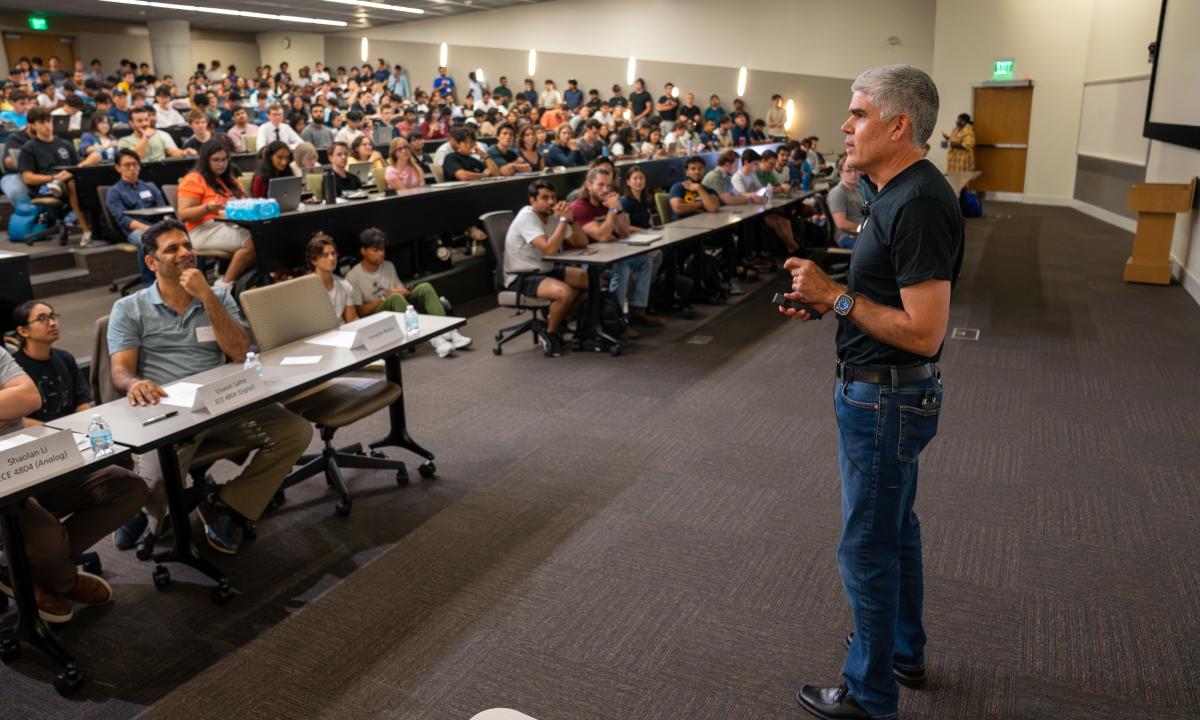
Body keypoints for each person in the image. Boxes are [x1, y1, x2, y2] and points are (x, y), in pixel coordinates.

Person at [785, 64, 963, 720]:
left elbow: (924, 331)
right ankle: (903, 652)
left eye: (857, 114)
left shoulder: (916, 202)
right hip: (886, 396)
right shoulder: (891, 192)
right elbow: (882, 299)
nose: (844, 125)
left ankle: (870, 694)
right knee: (894, 530)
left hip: (885, 400)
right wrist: (832, 306)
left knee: (867, 544)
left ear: (898, 125)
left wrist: (835, 295)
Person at [107, 219, 312, 554]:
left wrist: (206, 297)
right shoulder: (129, 308)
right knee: (156, 483)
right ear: (151, 262)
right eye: (172, 249)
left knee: (295, 432)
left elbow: (237, 351)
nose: (185, 253)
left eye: (187, 245)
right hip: (170, 410)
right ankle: (144, 513)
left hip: (223, 400)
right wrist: (135, 383)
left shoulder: (216, 295)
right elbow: (120, 371)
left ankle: (228, 505)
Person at [0, 305, 145, 624]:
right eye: (42, 319)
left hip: (31, 455)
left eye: (55, 316)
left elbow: (28, 399)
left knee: (128, 486)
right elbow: (20, 405)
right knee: (47, 536)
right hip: (5, 481)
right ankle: (65, 580)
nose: (52, 323)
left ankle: (22, 571)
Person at [345, 228, 470, 357]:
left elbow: (399, 289)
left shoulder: (388, 265)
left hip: (397, 307)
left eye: (382, 249)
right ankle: (436, 339)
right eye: (375, 250)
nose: (380, 254)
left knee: (424, 287)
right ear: (363, 251)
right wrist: (385, 297)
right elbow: (361, 312)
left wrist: (403, 291)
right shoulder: (353, 276)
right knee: (395, 298)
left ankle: (450, 332)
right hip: (376, 317)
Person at [504, 179, 588, 357]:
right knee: (564, 293)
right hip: (522, 275)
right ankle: (550, 334)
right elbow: (549, 248)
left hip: (545, 269)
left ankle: (561, 319)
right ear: (532, 201)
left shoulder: (553, 215)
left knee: (590, 280)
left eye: (553, 197)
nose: (551, 202)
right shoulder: (527, 217)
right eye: (545, 198)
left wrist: (571, 219)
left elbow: (581, 242)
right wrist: (563, 220)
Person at [571, 166, 658, 332]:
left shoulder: (606, 203)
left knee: (645, 260)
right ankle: (614, 320)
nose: (605, 190)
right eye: (601, 185)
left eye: (608, 186)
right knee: (622, 266)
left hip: (608, 254)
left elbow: (624, 232)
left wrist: (617, 208)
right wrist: (611, 210)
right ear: (589, 185)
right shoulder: (580, 206)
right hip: (586, 260)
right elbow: (602, 236)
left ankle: (637, 310)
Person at [176, 140, 255, 291]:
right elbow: (184, 214)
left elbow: (244, 202)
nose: (222, 164)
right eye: (216, 160)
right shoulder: (193, 179)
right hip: (201, 230)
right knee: (253, 241)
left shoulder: (228, 179)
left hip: (230, 224)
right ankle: (223, 286)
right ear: (206, 160)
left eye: (225, 159)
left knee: (264, 235)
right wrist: (207, 208)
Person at [18, 107, 95, 244]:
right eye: (42, 122)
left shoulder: (65, 144)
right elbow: (27, 177)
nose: (47, 125)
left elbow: (76, 167)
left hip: (68, 181)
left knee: (89, 178)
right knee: (72, 183)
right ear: (33, 125)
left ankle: (101, 229)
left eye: (49, 121)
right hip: (44, 187)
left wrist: (86, 163)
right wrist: (54, 178)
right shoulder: (29, 148)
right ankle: (86, 231)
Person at [105, 149, 166, 286]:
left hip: (157, 225)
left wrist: (167, 222)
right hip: (134, 230)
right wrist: (150, 229)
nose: (132, 168)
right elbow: (124, 220)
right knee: (146, 241)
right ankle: (149, 283)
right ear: (118, 168)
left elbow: (163, 208)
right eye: (127, 165)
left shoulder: (149, 186)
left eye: (135, 164)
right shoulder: (114, 192)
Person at [306, 233, 358, 323]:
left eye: (333, 253)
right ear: (314, 261)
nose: (332, 258)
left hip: (342, 332)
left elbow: (352, 319)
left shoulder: (345, 286)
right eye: (325, 255)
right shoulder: (305, 289)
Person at [118, 106, 190, 162]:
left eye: (146, 120)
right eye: (140, 121)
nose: (144, 123)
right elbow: (135, 158)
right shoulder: (124, 141)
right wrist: (145, 138)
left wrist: (184, 152)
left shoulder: (159, 136)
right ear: (131, 123)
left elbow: (173, 152)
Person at [827, 158, 866, 248]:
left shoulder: (857, 190)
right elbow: (841, 224)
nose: (853, 174)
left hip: (860, 231)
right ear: (841, 173)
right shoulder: (838, 193)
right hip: (846, 236)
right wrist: (864, 229)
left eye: (856, 170)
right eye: (848, 171)